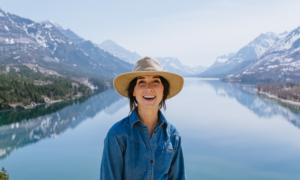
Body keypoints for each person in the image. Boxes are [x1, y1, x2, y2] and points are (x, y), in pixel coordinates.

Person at [100, 56, 186, 180]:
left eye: (156, 81)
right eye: (141, 82)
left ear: (163, 90)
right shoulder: (117, 135)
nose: (149, 87)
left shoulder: (173, 136)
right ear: (133, 91)